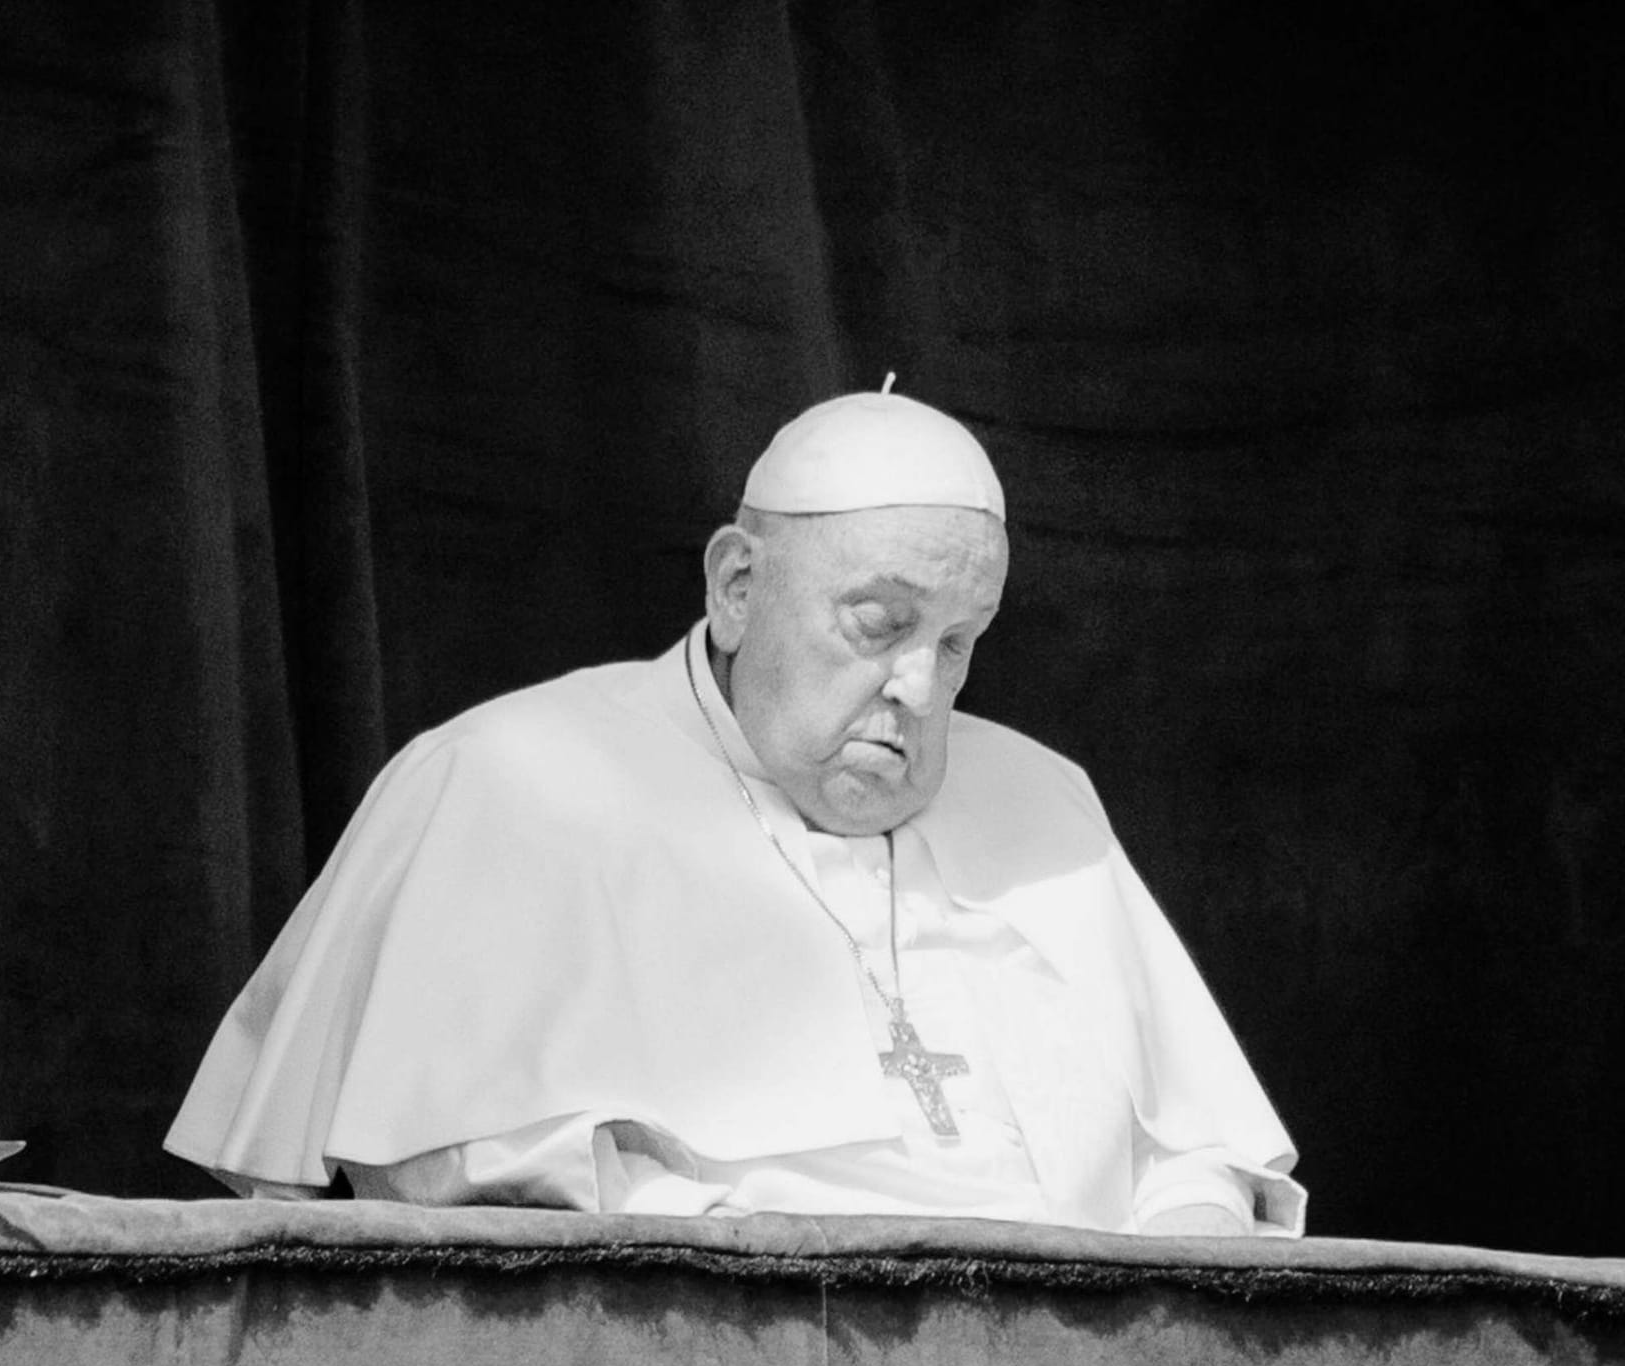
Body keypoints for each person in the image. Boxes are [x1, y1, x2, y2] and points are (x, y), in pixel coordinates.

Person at [167, 384, 1305, 1236]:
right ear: (738, 587)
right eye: (879, 624)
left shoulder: (1041, 799)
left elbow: (1199, 1153)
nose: (920, 689)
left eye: (958, 641)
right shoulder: (505, 777)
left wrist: (1186, 1258)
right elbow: (443, 1157)